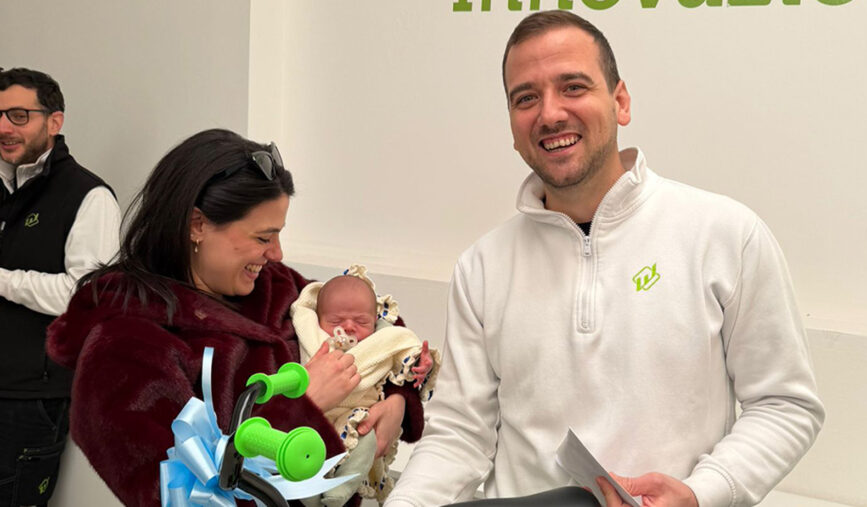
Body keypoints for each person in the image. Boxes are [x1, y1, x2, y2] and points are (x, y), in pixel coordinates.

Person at [386, 11, 825, 507]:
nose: (550, 114)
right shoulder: (482, 267)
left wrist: (703, 493)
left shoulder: (725, 235)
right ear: (511, 124)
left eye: (572, 87)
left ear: (620, 101)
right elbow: (459, 436)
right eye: (526, 97)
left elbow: (784, 405)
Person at [45, 129, 425, 507]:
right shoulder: (123, 348)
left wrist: (398, 402)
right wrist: (306, 403)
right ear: (197, 225)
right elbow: (178, 495)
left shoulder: (276, 287)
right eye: (263, 238)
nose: (277, 253)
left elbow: (370, 322)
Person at [0, 67, 120, 506]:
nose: (3, 128)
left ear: (54, 122)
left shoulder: (89, 197)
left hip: (30, 400)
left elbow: (84, 298)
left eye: (17, 115)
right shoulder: (5, 184)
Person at [291, 265, 439, 506]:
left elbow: (403, 352)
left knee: (365, 443)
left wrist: (417, 368)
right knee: (304, 456)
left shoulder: (381, 340)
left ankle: (340, 491)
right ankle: (307, 498)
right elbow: (302, 311)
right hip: (314, 418)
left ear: (375, 322)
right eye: (336, 320)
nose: (349, 327)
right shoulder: (311, 331)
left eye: (361, 321)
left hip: (357, 417)